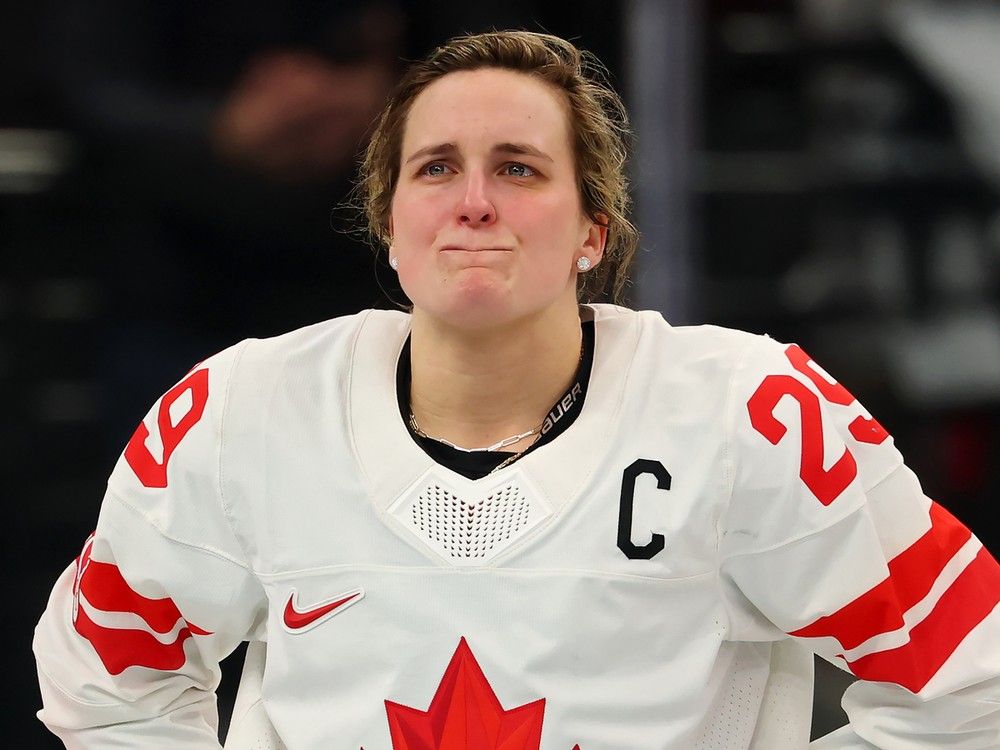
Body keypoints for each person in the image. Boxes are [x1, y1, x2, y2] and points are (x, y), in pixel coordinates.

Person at [33, 30, 1000, 749]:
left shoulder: (747, 412)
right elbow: (108, 683)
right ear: (390, 225)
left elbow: (969, 681)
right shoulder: (243, 412)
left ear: (595, 232)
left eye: (520, 168)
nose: (475, 200)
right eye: (437, 167)